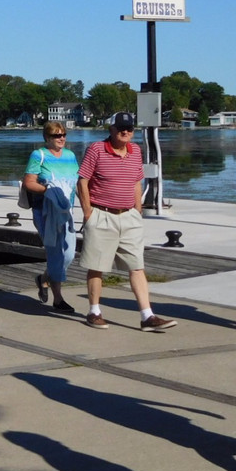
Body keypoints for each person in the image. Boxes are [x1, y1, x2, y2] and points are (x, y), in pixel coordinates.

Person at [77, 112, 177, 332]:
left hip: (129, 216)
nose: (125, 132)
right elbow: (82, 181)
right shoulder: (96, 149)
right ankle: (94, 312)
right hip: (101, 214)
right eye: (121, 128)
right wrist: (88, 213)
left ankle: (147, 316)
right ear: (111, 129)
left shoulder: (135, 151)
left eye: (130, 129)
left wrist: (137, 211)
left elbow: (136, 183)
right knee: (97, 266)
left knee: (137, 266)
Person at [23, 121, 80, 314]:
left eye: (63, 134)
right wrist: (49, 190)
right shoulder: (38, 155)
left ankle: (44, 278)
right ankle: (58, 299)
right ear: (47, 137)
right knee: (56, 253)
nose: (61, 138)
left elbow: (77, 184)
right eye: (57, 135)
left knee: (69, 253)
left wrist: (89, 207)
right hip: (45, 212)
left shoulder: (71, 156)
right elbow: (29, 183)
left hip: (67, 211)